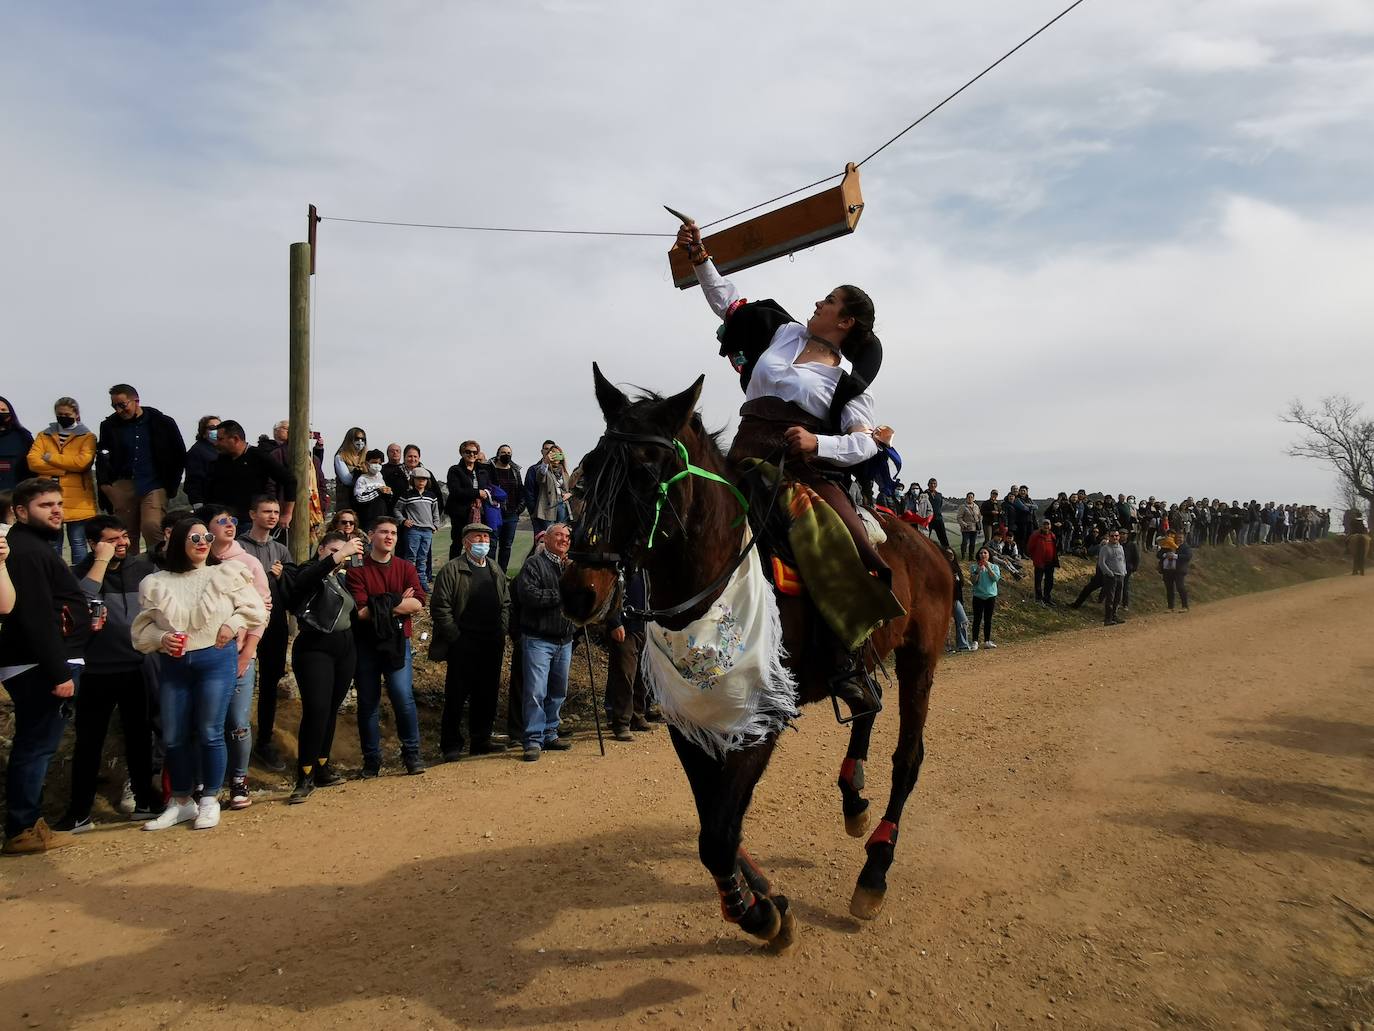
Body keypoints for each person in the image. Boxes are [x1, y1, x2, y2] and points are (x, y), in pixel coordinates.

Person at [679, 218, 900, 711]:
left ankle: (845, 661)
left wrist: (818, 443)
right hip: (739, 458)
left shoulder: (847, 383)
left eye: (829, 300)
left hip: (798, 472)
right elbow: (728, 302)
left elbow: (864, 444)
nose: (818, 302)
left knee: (835, 541)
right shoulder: (780, 331)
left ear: (844, 322)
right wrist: (700, 257)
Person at [132, 517, 266, 832]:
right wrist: (162, 639)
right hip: (174, 665)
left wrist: (232, 625)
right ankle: (180, 801)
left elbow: (254, 608)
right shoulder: (156, 582)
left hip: (215, 660)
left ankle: (209, 798)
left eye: (206, 536)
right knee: (174, 734)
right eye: (194, 538)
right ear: (178, 541)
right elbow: (141, 631)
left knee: (210, 731)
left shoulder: (226, 573)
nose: (203, 542)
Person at [0, 478, 93, 854]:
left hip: (41, 661)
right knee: (35, 747)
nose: (57, 510)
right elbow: (34, 617)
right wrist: (58, 672)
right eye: (45, 505)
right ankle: (23, 828)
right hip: (39, 665)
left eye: (59, 503)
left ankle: (29, 823)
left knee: (35, 746)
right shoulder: (26, 552)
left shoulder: (33, 546)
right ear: (21, 512)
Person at [55, 515, 160, 831]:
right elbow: (79, 605)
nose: (123, 544)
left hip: (137, 667)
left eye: (125, 537)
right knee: (88, 743)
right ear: (93, 543)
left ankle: (146, 802)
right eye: (113, 540)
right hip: (95, 672)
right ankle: (79, 812)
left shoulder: (142, 569)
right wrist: (99, 563)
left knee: (141, 739)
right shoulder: (77, 574)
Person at [280, 531, 363, 803]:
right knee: (316, 709)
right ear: (321, 550)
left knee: (330, 710)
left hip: (345, 647)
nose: (340, 555)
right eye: (333, 551)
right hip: (316, 648)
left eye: (344, 551)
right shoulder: (306, 571)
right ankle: (304, 775)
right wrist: (338, 556)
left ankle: (322, 767)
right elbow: (304, 582)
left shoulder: (339, 578)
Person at [346, 515, 427, 777]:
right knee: (368, 703)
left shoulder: (405, 567)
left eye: (393, 532)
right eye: (383, 532)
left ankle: (412, 755)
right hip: (366, 643)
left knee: (403, 697)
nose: (389, 536)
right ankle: (371, 761)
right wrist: (396, 601)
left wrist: (379, 603)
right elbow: (360, 612)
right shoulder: (357, 569)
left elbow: (418, 604)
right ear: (371, 535)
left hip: (397, 641)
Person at [201, 505, 271, 810]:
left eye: (232, 519)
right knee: (206, 724)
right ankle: (208, 784)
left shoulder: (249, 563)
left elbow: (262, 608)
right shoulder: (198, 564)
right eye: (221, 521)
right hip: (202, 655)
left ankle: (239, 781)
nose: (230, 524)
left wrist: (248, 651)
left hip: (240, 653)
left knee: (237, 722)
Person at [431, 522, 511, 760]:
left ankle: (481, 740)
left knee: (487, 694)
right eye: (478, 538)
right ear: (466, 542)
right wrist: (455, 636)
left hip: (491, 642)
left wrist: (501, 630)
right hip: (463, 643)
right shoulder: (452, 570)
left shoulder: (495, 568)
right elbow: (440, 607)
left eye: (486, 538)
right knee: (456, 695)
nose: (483, 543)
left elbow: (505, 603)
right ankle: (451, 745)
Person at [236, 495, 293, 772]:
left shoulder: (281, 550)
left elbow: (292, 591)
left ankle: (264, 742)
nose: (272, 516)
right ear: (252, 513)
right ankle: (234, 745)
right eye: (266, 511)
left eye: (275, 512)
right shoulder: (237, 548)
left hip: (275, 625)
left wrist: (281, 578)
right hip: (242, 626)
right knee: (235, 683)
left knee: (270, 684)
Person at [96, 384, 185, 555]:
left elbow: (178, 453)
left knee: (152, 526)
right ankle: (129, 571)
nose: (119, 410)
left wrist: (171, 485)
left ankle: (160, 565)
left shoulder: (162, 422)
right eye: (115, 406)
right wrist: (105, 485)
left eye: (122, 405)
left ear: (136, 401)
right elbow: (102, 456)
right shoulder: (109, 426)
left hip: (153, 482)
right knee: (125, 532)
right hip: (122, 483)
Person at [515, 522, 576, 761]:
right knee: (535, 692)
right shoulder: (534, 564)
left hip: (565, 638)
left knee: (558, 691)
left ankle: (550, 732)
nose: (564, 539)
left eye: (567, 536)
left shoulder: (571, 567)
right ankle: (532, 739)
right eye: (559, 535)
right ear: (547, 539)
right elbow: (528, 596)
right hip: (539, 639)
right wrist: (561, 595)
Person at [27, 397, 97, 565]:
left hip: (78, 499)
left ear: (76, 414)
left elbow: (82, 463)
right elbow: (32, 461)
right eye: (60, 414)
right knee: (53, 543)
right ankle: (54, 577)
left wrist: (49, 457)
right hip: (49, 495)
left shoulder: (87, 436)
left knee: (78, 542)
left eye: (67, 414)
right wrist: (64, 469)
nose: (63, 417)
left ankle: (79, 580)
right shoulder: (44, 435)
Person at [205, 420, 297, 529]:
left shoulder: (258, 456)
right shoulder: (221, 460)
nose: (216, 443)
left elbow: (289, 481)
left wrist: (287, 513)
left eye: (220, 439)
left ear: (235, 439)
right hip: (222, 521)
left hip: (248, 523)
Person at [604, 569, 650, 740]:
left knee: (642, 674)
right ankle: (621, 721)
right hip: (625, 626)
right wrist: (615, 622)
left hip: (645, 625)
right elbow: (609, 595)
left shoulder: (644, 567)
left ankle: (638, 715)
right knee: (624, 674)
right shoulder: (619, 566)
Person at [394, 467, 441, 592]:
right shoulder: (407, 495)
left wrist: (436, 525)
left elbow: (435, 512)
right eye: (418, 479)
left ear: (427, 481)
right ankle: (409, 584)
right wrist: (403, 521)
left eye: (424, 479)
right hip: (413, 530)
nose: (421, 482)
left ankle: (422, 583)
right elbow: (397, 509)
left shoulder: (431, 496)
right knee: (410, 557)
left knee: (422, 558)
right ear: (413, 480)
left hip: (427, 531)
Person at [445, 440, 497, 553]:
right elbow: (456, 491)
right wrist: (477, 493)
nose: (472, 454)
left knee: (478, 543)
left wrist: (486, 492)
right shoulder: (455, 470)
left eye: (474, 452)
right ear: (462, 453)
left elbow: (490, 486)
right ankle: (455, 570)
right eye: (468, 452)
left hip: (479, 512)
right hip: (460, 513)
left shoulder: (483, 471)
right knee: (458, 543)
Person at [487, 444, 526, 570]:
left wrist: (518, 509)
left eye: (509, 453)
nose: (506, 455)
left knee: (506, 546)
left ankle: (502, 574)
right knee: (492, 545)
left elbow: (521, 491)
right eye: (504, 452)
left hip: (511, 514)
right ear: (498, 454)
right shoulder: (489, 469)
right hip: (494, 512)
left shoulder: (515, 471)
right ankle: (491, 573)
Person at [532, 445, 571, 532]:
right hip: (548, 506)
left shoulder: (564, 472)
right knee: (549, 532)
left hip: (562, 504)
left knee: (561, 531)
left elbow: (570, 488)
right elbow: (540, 477)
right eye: (553, 454)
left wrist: (569, 494)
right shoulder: (544, 469)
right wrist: (546, 461)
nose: (556, 457)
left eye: (558, 454)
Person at [968, 546, 1000, 651]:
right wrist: (978, 570)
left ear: (989, 555)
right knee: (977, 619)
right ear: (978, 555)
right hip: (978, 596)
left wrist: (988, 567)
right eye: (981, 553)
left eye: (985, 553)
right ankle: (975, 641)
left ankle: (987, 641)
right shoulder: (973, 567)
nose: (983, 555)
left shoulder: (995, 566)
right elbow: (973, 581)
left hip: (990, 596)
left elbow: (995, 578)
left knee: (988, 619)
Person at [183, 415, 221, 506]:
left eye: (220, 427)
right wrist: (198, 504)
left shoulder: (223, 450)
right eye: (212, 428)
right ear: (203, 432)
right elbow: (193, 482)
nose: (217, 430)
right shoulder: (196, 452)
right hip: (209, 504)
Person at [0, 396, 34, 494]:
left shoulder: (23, 436)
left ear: (10, 414)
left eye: (3, 410)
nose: (1, 413)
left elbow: (31, 469)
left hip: (15, 494)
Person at [352, 449, 391, 531]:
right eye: (374, 462)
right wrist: (378, 491)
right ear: (367, 463)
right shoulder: (362, 479)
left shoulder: (380, 477)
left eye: (379, 463)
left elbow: (386, 497)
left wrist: (388, 493)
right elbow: (359, 498)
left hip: (382, 518)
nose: (377, 465)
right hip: (368, 520)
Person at [525, 440, 556, 533]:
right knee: (542, 541)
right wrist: (534, 512)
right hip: (541, 513)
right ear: (542, 451)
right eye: (546, 449)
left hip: (557, 512)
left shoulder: (561, 470)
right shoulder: (533, 469)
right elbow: (529, 492)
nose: (548, 452)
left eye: (551, 449)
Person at [1098, 529, 1127, 626]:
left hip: (1121, 575)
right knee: (1110, 598)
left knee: (1118, 598)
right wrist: (1109, 573)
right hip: (1111, 577)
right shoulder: (1105, 548)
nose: (1115, 537)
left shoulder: (1121, 548)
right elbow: (1101, 563)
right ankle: (1108, 619)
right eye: (1112, 536)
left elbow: (1122, 560)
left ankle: (1114, 615)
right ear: (1109, 537)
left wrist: (1124, 571)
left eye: (1116, 536)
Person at [944, 547, 971, 652]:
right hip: (945, 600)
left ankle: (962, 644)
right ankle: (947, 648)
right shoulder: (941, 568)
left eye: (951, 554)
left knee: (963, 620)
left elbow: (961, 584)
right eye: (947, 554)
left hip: (957, 599)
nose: (949, 556)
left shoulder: (956, 568)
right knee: (947, 625)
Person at [1026, 519, 1059, 607]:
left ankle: (1047, 598)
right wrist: (1034, 558)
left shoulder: (1052, 535)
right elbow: (1030, 548)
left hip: (1050, 563)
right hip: (1039, 562)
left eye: (1048, 525)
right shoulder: (1035, 535)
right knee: (1038, 581)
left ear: (1050, 526)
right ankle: (1038, 599)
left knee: (1049, 581)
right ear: (1041, 526)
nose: (1046, 527)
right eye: (1044, 525)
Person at [1158, 532, 1192, 610]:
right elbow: (1158, 554)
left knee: (1180, 587)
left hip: (1179, 570)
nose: (1179, 539)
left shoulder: (1185, 547)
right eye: (1177, 537)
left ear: (1184, 538)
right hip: (1168, 570)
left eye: (1181, 538)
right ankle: (1170, 607)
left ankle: (1185, 606)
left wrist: (1176, 556)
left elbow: (1188, 556)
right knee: (1169, 588)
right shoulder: (1168, 545)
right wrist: (1165, 555)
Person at [925, 477, 949, 550]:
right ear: (928, 484)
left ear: (936, 485)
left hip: (938, 518)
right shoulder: (924, 494)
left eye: (934, 484)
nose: (932, 485)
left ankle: (947, 551)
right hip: (928, 519)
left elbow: (939, 505)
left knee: (943, 537)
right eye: (931, 483)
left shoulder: (939, 495)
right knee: (925, 536)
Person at [957, 492, 981, 560]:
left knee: (973, 543)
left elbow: (979, 517)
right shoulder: (963, 507)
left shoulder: (976, 506)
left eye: (971, 497)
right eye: (969, 497)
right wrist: (963, 524)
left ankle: (971, 557)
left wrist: (979, 527)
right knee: (964, 542)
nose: (970, 498)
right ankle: (963, 556)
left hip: (974, 528)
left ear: (973, 498)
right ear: (966, 498)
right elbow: (959, 517)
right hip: (966, 528)